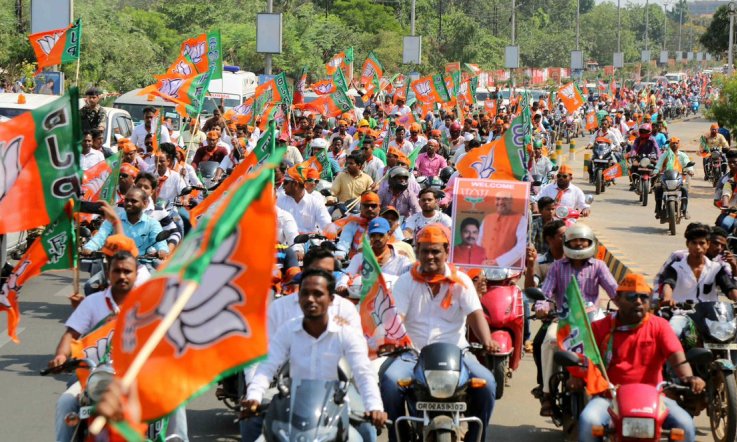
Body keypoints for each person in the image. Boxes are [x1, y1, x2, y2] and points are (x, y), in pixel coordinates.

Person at [381, 224, 499, 442]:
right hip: (413, 354)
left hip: (457, 353)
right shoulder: (405, 282)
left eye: (435, 251)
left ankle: (476, 436)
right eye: (425, 250)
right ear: (417, 251)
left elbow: (475, 314)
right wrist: (391, 338)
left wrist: (488, 340)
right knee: (389, 381)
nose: (430, 256)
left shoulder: (461, 280)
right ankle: (400, 433)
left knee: (488, 384)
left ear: (446, 251)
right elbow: (398, 318)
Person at [242, 269, 386, 441]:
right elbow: (267, 366)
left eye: (317, 294)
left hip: (340, 396)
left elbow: (363, 372)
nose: (310, 299)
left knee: (368, 430)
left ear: (331, 299)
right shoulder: (287, 330)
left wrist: (375, 407)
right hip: (289, 395)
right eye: (305, 293)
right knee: (249, 421)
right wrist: (254, 396)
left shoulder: (346, 334)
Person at [578, 273, 705, 442]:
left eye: (643, 297)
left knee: (686, 425)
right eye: (631, 296)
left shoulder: (660, 326)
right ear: (617, 300)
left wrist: (689, 377)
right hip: (610, 398)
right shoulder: (599, 327)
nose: (638, 301)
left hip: (655, 398)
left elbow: (676, 357)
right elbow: (585, 359)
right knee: (588, 422)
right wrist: (576, 376)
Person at [48, 251, 137, 442]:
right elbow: (71, 334)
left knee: (173, 402)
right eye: (117, 271)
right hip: (91, 377)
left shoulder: (147, 304)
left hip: (136, 377)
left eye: (127, 271)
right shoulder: (92, 302)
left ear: (136, 274)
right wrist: (61, 356)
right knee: (65, 402)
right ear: (108, 273)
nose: (122, 276)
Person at [536, 223, 617, 416]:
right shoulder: (557, 267)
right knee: (549, 342)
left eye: (583, 240)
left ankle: (609, 387)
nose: (579, 244)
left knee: (611, 344)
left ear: (590, 243)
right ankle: (547, 394)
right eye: (574, 240)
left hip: (592, 320)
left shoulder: (599, 266)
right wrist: (542, 307)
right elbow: (545, 294)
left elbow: (614, 291)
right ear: (567, 243)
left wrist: (625, 305)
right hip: (564, 319)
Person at [658, 223, 737, 306]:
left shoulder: (717, 267)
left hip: (710, 311)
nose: (698, 247)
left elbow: (729, 287)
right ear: (687, 244)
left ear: (708, 244)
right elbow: (668, 283)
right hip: (681, 311)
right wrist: (667, 298)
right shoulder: (676, 265)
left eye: (702, 243)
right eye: (694, 243)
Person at [82, 187, 169, 259]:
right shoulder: (113, 219)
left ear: (145, 204)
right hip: (114, 263)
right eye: (126, 200)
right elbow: (101, 236)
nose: (129, 203)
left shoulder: (152, 223)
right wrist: (89, 248)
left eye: (134, 201)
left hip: (142, 264)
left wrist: (162, 251)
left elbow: (160, 243)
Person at [339, 217, 412, 297]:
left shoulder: (401, 260)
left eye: (381, 235)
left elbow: (409, 281)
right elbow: (347, 274)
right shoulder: (359, 258)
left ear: (388, 234)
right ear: (369, 236)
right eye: (373, 235)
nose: (377, 238)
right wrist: (342, 285)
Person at [277, 165, 331, 234]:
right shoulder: (279, 201)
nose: (283, 185)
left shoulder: (316, 203)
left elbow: (327, 228)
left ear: (295, 184)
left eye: (286, 182)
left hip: (309, 240)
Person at [479, 191, 526, 267]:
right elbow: (479, 242)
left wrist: (499, 262)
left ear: (511, 202)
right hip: (485, 266)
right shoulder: (487, 218)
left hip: (510, 268)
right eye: (498, 199)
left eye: (505, 199)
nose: (500, 202)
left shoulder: (521, 219)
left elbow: (521, 246)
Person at [653, 137, 692, 220]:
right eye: (673, 143)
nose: (675, 145)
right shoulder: (665, 155)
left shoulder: (682, 155)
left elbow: (687, 163)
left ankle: (684, 210)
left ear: (679, 144)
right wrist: (656, 171)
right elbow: (659, 164)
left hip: (679, 177)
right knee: (658, 189)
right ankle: (658, 210)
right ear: (670, 144)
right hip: (666, 177)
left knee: (684, 190)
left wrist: (690, 170)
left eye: (676, 143)